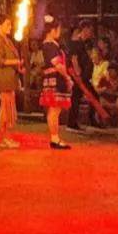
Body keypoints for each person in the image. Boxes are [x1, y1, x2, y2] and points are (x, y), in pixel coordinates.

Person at [38, 16, 73, 149]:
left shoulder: (50, 44)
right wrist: (67, 77)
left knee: (54, 110)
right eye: (58, 29)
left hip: (53, 78)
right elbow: (58, 65)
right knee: (54, 109)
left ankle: (55, 137)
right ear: (53, 30)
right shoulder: (50, 45)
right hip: (55, 79)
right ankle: (54, 137)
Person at [0, 17, 21, 149]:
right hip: (3, 78)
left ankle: (7, 137)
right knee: (5, 108)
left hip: (10, 77)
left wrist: (18, 67)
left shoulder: (7, 40)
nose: (10, 27)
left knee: (9, 108)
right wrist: (16, 62)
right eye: (7, 24)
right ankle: (4, 138)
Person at [66, 20, 95, 132]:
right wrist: (77, 73)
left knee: (78, 98)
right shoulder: (76, 42)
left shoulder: (82, 43)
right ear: (85, 29)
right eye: (90, 30)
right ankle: (72, 123)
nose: (91, 33)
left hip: (83, 76)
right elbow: (74, 58)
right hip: (79, 76)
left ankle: (75, 122)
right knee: (77, 98)